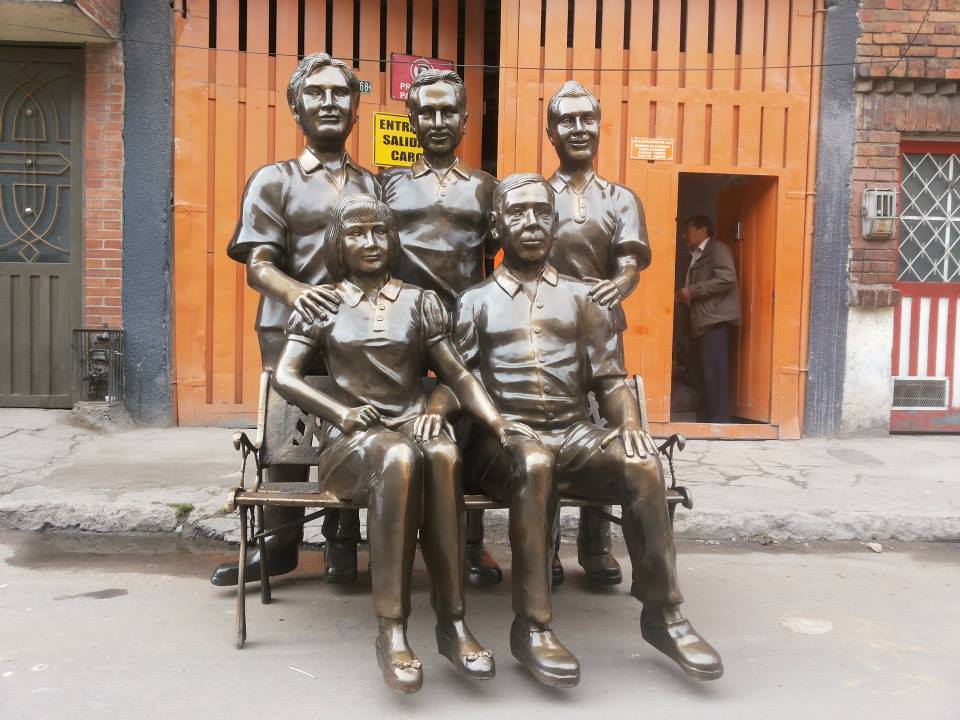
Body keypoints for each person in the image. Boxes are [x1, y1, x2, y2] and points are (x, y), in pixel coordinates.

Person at [440, 174, 723, 687]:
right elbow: (459, 382)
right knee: (533, 461)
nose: (531, 223)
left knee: (641, 462)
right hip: (503, 444)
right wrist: (456, 417)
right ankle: (532, 626)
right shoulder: (475, 301)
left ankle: (664, 615)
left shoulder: (585, 298)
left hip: (571, 433)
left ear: (555, 226)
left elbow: (610, 381)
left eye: (542, 213)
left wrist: (629, 423)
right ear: (497, 227)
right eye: (518, 213)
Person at [273, 193, 535, 693]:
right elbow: (285, 376)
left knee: (442, 452)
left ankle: (452, 623)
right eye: (356, 233)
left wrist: (498, 424)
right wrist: (341, 413)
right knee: (397, 456)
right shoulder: (323, 303)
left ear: (393, 239)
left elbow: (458, 374)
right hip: (353, 441)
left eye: (379, 231)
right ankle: (391, 631)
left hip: (412, 427)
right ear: (338, 242)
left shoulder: (419, 302)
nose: (370, 242)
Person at [211, 53, 378, 588]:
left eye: (340, 93)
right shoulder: (274, 180)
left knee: (351, 427)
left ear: (355, 109)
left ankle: (341, 544)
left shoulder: (373, 186)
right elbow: (258, 265)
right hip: (288, 327)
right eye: (316, 93)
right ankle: (277, 547)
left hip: (357, 334)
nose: (329, 103)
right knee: (286, 440)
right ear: (295, 108)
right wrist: (300, 293)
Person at [379, 69, 503, 585]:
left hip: (463, 325)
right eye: (426, 111)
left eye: (447, 111)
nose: (437, 120)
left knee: (468, 426)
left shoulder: (487, 187)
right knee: (398, 426)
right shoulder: (388, 183)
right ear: (411, 119)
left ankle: (469, 542)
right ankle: (392, 539)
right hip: (403, 327)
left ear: (465, 120)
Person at [543, 80, 653, 586]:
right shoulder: (538, 197)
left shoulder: (621, 198)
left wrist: (619, 284)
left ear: (599, 127)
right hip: (547, 329)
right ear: (551, 132)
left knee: (608, 428)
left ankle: (596, 544)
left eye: (587, 119)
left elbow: (630, 262)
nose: (578, 128)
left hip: (603, 328)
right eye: (567, 120)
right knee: (548, 431)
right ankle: (545, 544)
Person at [677, 215, 740, 424]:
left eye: (688, 230)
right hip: (699, 322)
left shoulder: (718, 249)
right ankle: (705, 421)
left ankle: (719, 422)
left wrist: (692, 291)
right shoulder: (694, 255)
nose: (684, 236)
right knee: (701, 374)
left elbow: (727, 278)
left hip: (715, 321)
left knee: (715, 374)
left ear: (703, 230)